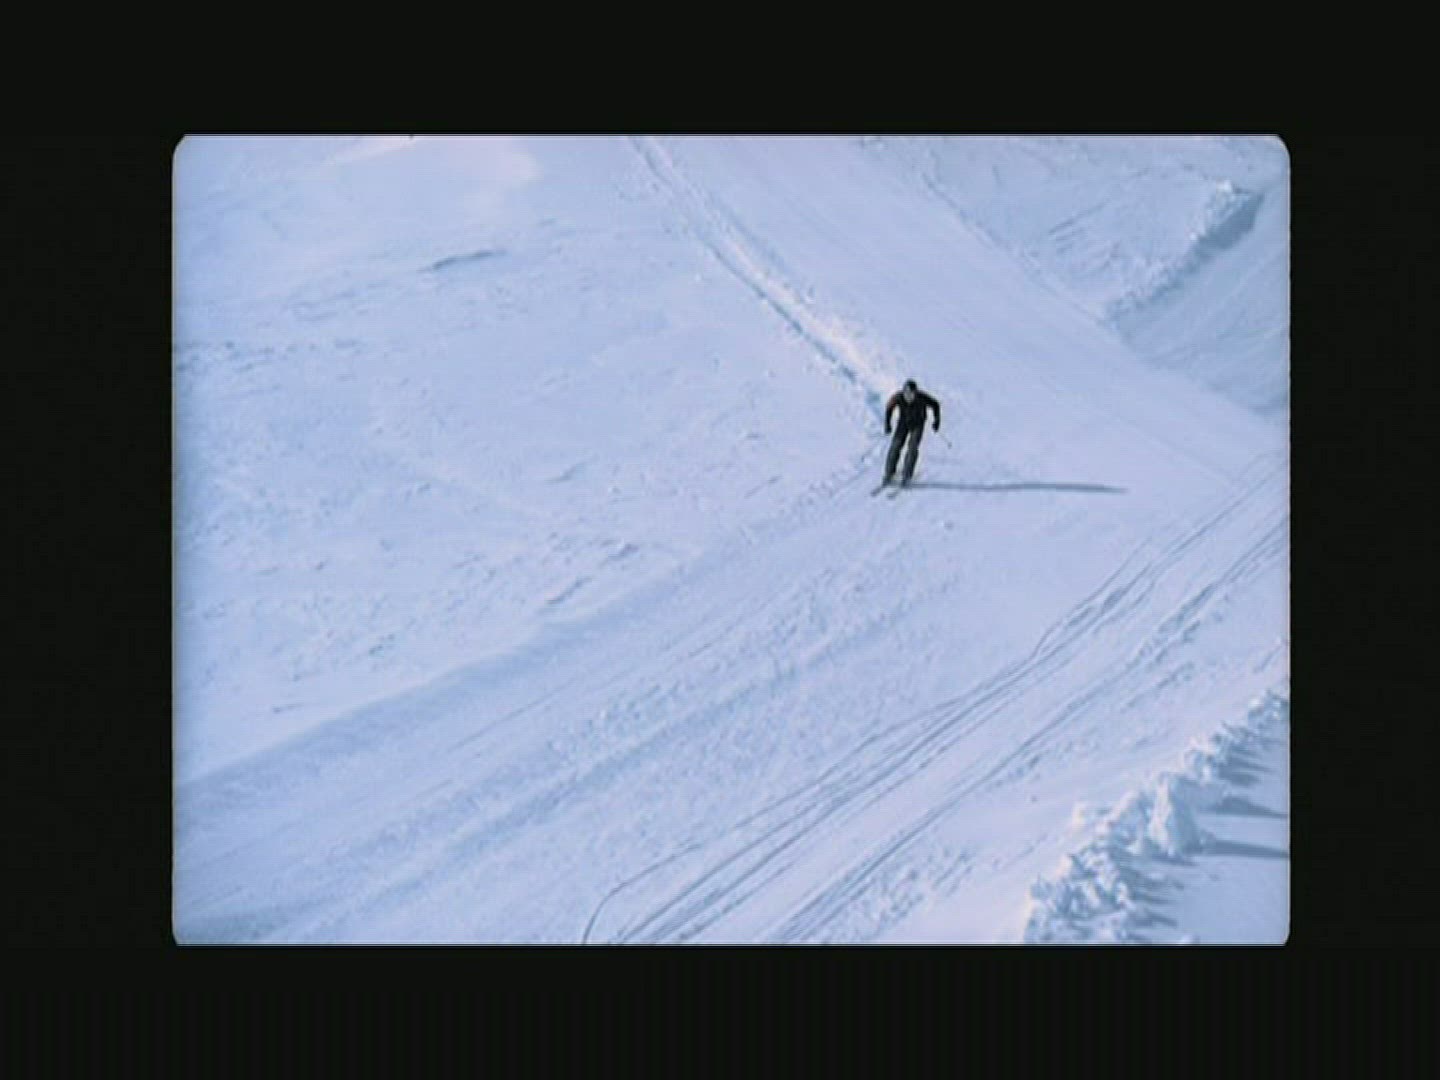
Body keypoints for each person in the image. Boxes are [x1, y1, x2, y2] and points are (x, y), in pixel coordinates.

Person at [883, 379, 941, 486]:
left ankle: (907, 474)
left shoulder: (922, 397)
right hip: (903, 423)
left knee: (912, 447)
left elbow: (935, 404)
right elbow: (889, 408)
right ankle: (889, 472)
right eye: (906, 394)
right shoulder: (898, 397)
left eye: (911, 394)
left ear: (915, 392)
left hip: (918, 424)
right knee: (895, 445)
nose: (909, 397)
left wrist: (936, 421)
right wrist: (887, 424)